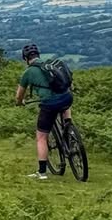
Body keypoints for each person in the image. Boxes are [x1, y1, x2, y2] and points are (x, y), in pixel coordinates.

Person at [14, 43, 73, 180]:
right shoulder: (51, 64)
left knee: (41, 137)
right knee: (64, 101)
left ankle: (42, 172)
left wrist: (19, 103)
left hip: (49, 104)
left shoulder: (28, 72)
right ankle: (69, 126)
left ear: (25, 59)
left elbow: (19, 96)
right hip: (67, 98)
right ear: (39, 55)